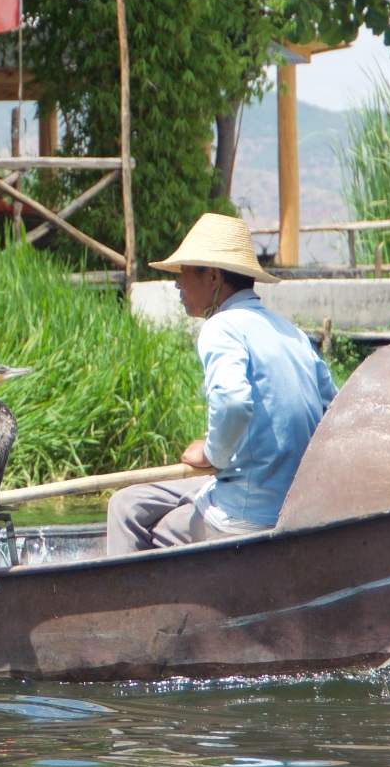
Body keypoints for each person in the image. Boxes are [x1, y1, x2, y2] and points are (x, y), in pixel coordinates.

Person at [107, 213, 338, 554]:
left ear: (213, 277)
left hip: (244, 515)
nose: (177, 285)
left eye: (184, 273)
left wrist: (211, 453)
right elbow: (333, 410)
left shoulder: (222, 326)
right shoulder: (292, 333)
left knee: (137, 519)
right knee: (129, 502)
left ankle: (128, 604)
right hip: (293, 508)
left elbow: (232, 402)